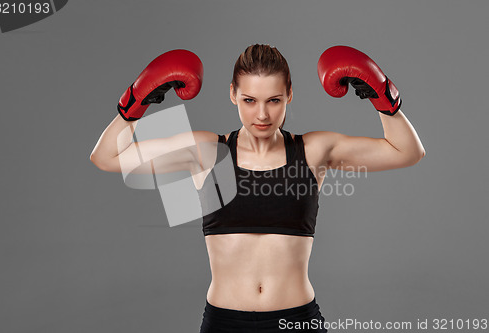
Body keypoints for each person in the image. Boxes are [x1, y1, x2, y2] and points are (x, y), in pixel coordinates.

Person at [90, 44, 425, 332]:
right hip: (224, 322)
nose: (262, 114)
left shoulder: (314, 150)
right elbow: (106, 157)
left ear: (289, 95)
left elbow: (408, 152)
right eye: (249, 100)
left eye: (274, 100)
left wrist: (383, 98)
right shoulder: (206, 152)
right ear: (233, 93)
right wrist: (134, 104)